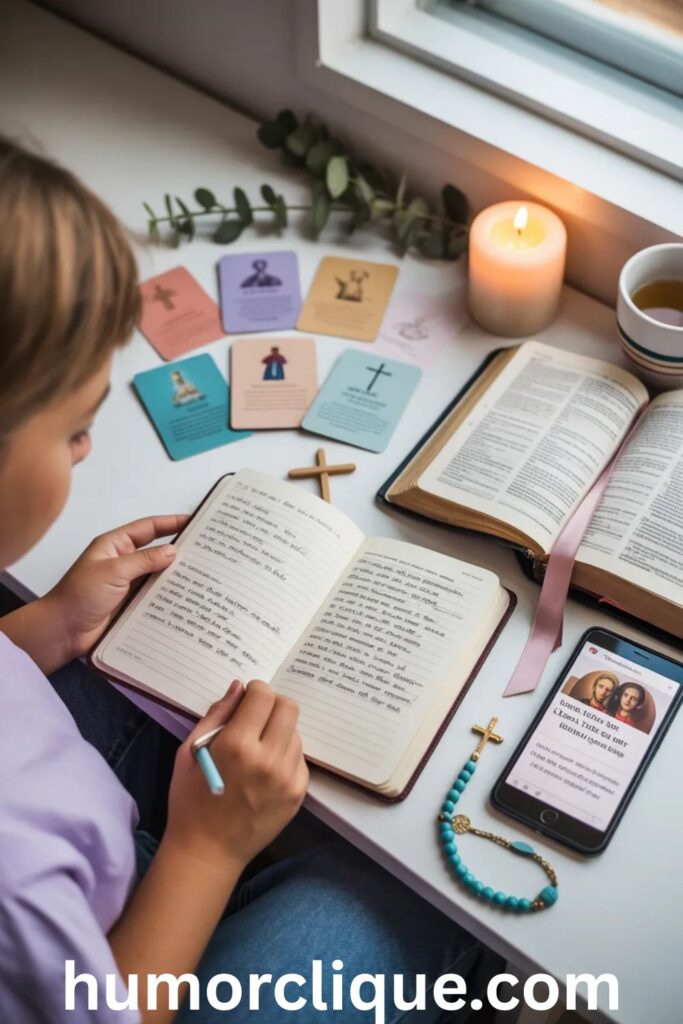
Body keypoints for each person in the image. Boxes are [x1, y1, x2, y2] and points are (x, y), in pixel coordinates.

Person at [0, 137, 500, 1023]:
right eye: (74, 427)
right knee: (397, 898)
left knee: (119, 670)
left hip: (72, 833)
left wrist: (45, 628)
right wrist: (205, 851)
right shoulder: (17, 882)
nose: (87, 448)